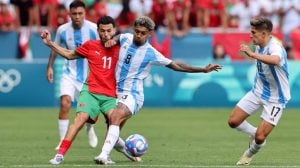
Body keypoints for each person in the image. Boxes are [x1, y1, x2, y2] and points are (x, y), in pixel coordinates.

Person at [94, 16, 222, 165]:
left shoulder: (151, 52)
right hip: (115, 92)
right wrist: (113, 40)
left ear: (149, 33)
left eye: (142, 33)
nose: (138, 35)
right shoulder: (126, 38)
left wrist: (202, 70)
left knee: (115, 118)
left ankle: (103, 155)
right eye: (137, 31)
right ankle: (127, 152)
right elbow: (118, 37)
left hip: (133, 95)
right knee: (112, 128)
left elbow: (176, 65)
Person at [41, 15, 140, 165]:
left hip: (111, 96)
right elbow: (69, 54)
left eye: (109, 31)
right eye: (102, 31)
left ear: (114, 30)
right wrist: (49, 43)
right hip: (90, 92)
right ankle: (59, 155)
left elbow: (138, 42)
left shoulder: (123, 48)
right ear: (98, 31)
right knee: (80, 119)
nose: (106, 34)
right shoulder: (90, 45)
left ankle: (121, 150)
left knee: (114, 123)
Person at [227, 17, 290, 165]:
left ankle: (248, 155)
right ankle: (255, 133)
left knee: (260, 139)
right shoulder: (258, 44)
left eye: (253, 32)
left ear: (264, 34)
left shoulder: (275, 47)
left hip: (276, 98)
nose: (250, 35)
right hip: (258, 92)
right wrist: (253, 53)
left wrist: (252, 54)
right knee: (233, 121)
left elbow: (275, 60)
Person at [46, 0, 98, 151]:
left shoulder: (94, 29)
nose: (77, 16)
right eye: (74, 14)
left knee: (87, 112)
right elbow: (55, 48)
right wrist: (49, 67)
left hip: (88, 76)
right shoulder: (62, 30)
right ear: (69, 14)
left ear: (85, 14)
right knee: (65, 103)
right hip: (69, 73)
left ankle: (90, 129)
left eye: (80, 13)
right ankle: (63, 140)